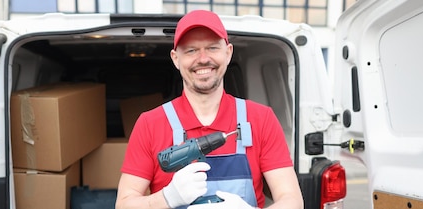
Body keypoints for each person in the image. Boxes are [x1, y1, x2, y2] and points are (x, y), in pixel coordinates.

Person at [115, 10, 303, 209]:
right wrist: (167, 198)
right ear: (175, 58)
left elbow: (293, 201)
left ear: (228, 52)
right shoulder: (150, 124)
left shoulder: (261, 118)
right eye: (191, 50)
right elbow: (124, 205)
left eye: (212, 48)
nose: (203, 59)